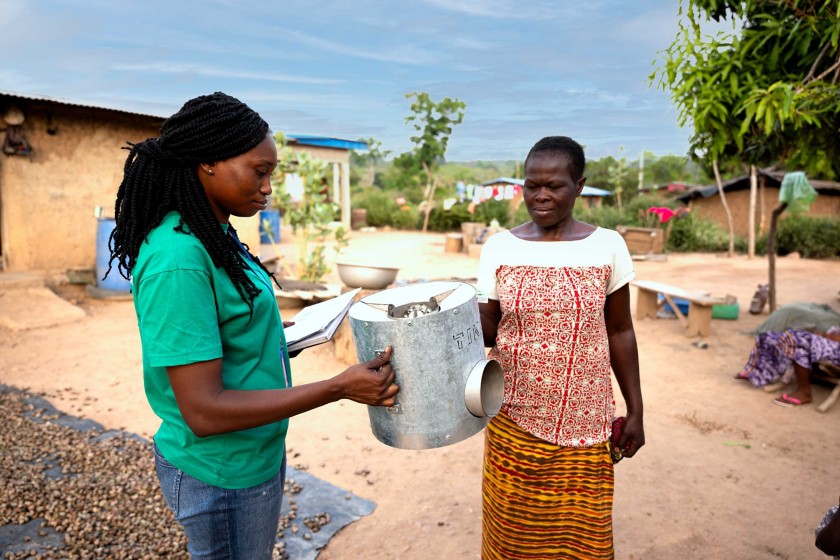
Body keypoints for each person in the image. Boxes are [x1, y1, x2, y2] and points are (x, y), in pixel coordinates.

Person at [107, 92, 399, 559]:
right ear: (207, 162)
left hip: (253, 451)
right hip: (220, 471)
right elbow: (203, 410)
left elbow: (225, 324)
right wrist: (338, 387)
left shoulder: (213, 232)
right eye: (258, 172)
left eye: (271, 175)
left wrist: (286, 334)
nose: (268, 188)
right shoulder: (178, 260)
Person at [477, 136, 645, 559]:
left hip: (586, 424)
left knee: (581, 540)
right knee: (512, 538)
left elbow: (620, 330)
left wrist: (636, 410)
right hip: (513, 418)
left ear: (579, 185)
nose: (541, 195)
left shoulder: (607, 245)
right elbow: (488, 330)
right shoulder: (500, 246)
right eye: (532, 185)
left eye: (554, 185)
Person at [735, 326, 840, 407]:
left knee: (796, 340)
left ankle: (804, 391)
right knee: (768, 336)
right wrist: (826, 335)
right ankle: (759, 372)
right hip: (832, 342)